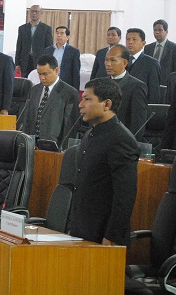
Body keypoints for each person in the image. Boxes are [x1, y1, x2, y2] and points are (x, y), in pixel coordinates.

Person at [69, 77, 139, 246]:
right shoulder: (89, 134)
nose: (81, 104)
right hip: (82, 230)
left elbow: (125, 195)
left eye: (87, 99)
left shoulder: (122, 140)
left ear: (106, 104)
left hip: (104, 236)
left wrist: (112, 236)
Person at [19, 55, 79, 147]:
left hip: (54, 146)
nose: (42, 78)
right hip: (32, 145)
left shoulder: (69, 93)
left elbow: (70, 127)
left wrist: (63, 149)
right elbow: (27, 119)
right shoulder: (34, 90)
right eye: (39, 74)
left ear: (56, 70)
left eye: (45, 74)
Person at [104, 45, 148, 140]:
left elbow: (137, 123)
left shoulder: (136, 86)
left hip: (122, 141)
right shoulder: (100, 84)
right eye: (106, 60)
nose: (108, 64)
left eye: (112, 60)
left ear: (124, 63)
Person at [125, 27, 161, 104]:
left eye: (134, 39)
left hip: (140, 106)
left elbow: (154, 92)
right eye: (128, 39)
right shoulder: (122, 61)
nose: (130, 42)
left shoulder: (151, 63)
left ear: (143, 43)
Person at [15, 5, 53, 78]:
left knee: (39, 81)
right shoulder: (22, 28)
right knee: (25, 82)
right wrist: (17, 63)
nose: (34, 13)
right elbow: (19, 46)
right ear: (30, 12)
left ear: (41, 13)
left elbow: (49, 47)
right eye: (32, 11)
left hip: (40, 61)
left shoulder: (46, 29)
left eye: (37, 12)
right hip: (25, 60)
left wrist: (48, 62)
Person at [144, 19, 176, 84]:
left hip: (166, 84)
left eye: (160, 30)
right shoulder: (148, 47)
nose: (157, 32)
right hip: (149, 82)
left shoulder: (175, 48)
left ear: (166, 31)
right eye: (155, 30)